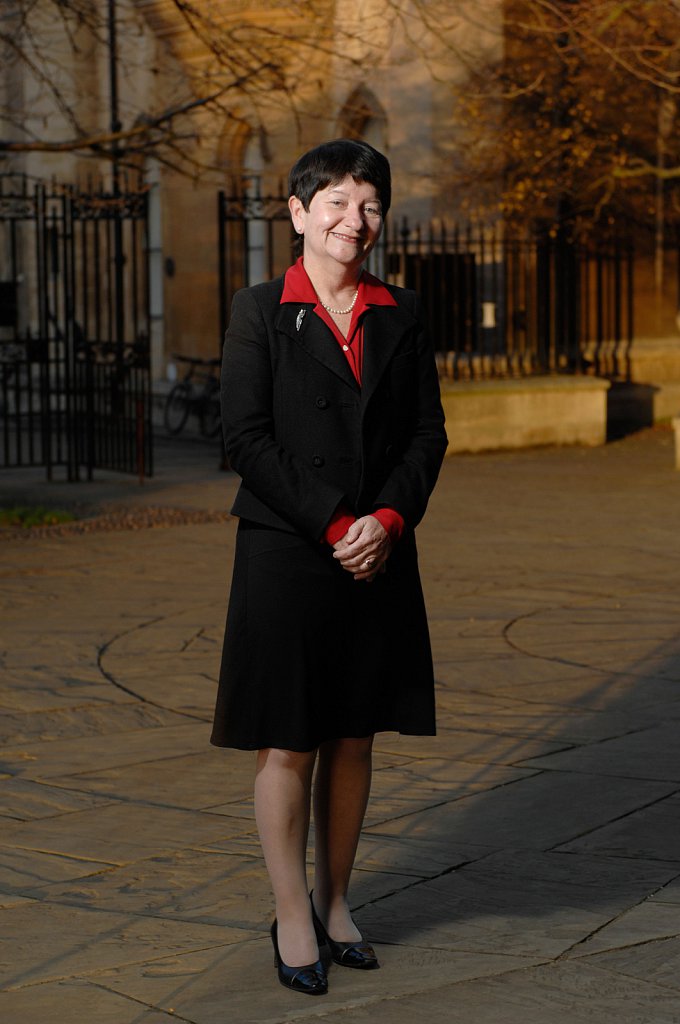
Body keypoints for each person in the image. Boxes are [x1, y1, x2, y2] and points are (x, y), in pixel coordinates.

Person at [211, 138, 448, 996]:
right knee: (290, 743)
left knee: (354, 736)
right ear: (300, 213)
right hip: (289, 552)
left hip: (378, 555)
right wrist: (337, 521)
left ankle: (336, 900)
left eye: (371, 204)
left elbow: (429, 434)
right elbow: (243, 439)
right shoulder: (259, 310)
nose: (357, 221)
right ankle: (289, 913)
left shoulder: (402, 312)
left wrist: (385, 519)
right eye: (339, 203)